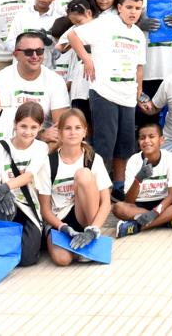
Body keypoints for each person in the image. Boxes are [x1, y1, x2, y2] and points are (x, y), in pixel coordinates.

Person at [67, 0, 147, 189]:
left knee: (125, 144)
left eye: (137, 8)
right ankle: (98, 186)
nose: (133, 12)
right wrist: (87, 59)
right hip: (104, 91)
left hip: (128, 93)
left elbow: (139, 67)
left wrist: (138, 90)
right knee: (104, 143)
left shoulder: (138, 34)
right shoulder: (105, 23)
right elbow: (73, 36)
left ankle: (118, 184)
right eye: (129, 7)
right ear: (119, 7)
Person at [37, 109, 111, 264]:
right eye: (67, 128)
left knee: (83, 174)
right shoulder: (48, 162)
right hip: (60, 220)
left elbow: (106, 202)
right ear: (60, 133)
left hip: (84, 216)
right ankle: (78, 246)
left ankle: (92, 237)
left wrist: (94, 229)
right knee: (62, 260)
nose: (73, 132)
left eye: (77, 128)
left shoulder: (92, 159)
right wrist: (62, 227)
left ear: (85, 132)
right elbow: (44, 210)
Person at [0, 101, 50, 240]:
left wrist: (4, 187)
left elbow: (28, 176)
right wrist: (0, 193)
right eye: (23, 126)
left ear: (40, 127)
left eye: (33, 127)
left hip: (28, 205)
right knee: (2, 209)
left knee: (27, 258)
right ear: (15, 124)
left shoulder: (41, 147)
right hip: (5, 202)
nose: (28, 132)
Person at [113, 120, 172, 236]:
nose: (147, 141)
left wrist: (156, 212)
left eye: (151, 137)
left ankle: (138, 227)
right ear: (138, 142)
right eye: (142, 138)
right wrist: (138, 179)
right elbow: (129, 200)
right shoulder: (133, 161)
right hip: (139, 205)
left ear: (161, 140)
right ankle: (167, 221)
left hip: (164, 203)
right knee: (118, 208)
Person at [0, 30, 70, 138]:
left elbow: (60, 126)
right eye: (28, 52)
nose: (35, 56)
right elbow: (1, 124)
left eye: (39, 51)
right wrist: (39, 135)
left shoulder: (55, 81)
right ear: (16, 54)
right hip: (10, 140)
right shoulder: (0, 79)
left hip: (46, 143)